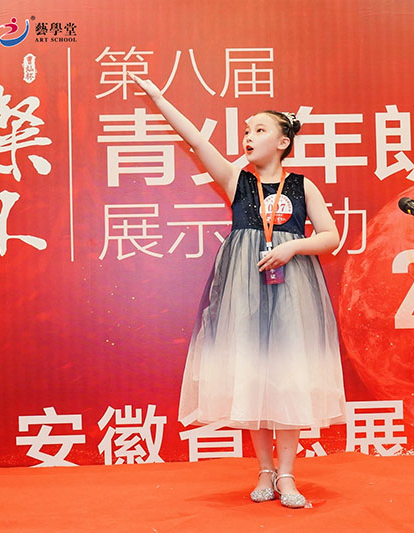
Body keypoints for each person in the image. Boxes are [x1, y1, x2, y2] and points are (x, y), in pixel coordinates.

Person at [130, 74, 346, 509]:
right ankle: (264, 469)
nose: (248, 137)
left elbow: (330, 236)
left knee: (287, 375)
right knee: (253, 373)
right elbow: (193, 139)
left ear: (283, 142)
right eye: (246, 130)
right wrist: (158, 98)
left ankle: (287, 474)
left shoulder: (302, 186)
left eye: (259, 130)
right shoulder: (236, 180)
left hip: (293, 289)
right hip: (243, 290)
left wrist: (293, 248)